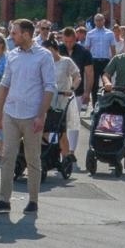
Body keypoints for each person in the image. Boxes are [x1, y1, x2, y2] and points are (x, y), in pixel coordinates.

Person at [0, 19, 56, 216]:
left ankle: (33, 200)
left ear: (26, 34)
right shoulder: (12, 55)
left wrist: (41, 115)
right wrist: (0, 113)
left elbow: (49, 86)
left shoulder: (44, 56)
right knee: (7, 156)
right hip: (11, 112)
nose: (12, 36)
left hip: (32, 116)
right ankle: (4, 200)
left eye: (15, 33)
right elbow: (4, 84)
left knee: (32, 158)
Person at [46, 38, 82, 168]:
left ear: (55, 49)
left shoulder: (66, 62)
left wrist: (71, 89)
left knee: (60, 130)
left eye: (49, 50)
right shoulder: (44, 63)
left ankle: (66, 156)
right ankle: (45, 154)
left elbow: (77, 76)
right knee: (44, 128)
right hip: (47, 99)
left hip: (62, 99)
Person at [83, 15, 117, 104]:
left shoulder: (110, 33)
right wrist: (86, 63)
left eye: (100, 20)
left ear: (104, 21)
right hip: (94, 61)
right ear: (94, 21)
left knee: (107, 84)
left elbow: (113, 48)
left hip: (106, 61)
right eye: (97, 20)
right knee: (94, 85)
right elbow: (87, 49)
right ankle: (95, 105)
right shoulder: (90, 33)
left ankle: (107, 104)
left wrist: (114, 62)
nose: (98, 22)